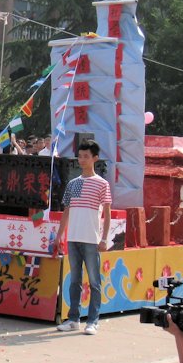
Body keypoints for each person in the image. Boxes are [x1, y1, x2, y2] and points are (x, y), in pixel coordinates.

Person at [55, 139, 112, 335]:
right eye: (80, 156)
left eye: (86, 156)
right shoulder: (73, 184)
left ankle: (93, 321)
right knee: (74, 281)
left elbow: (107, 213)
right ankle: (73, 319)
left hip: (91, 239)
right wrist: (59, 235)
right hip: (74, 237)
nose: (82, 160)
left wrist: (104, 239)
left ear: (95, 158)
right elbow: (66, 211)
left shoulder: (102, 184)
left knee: (94, 281)